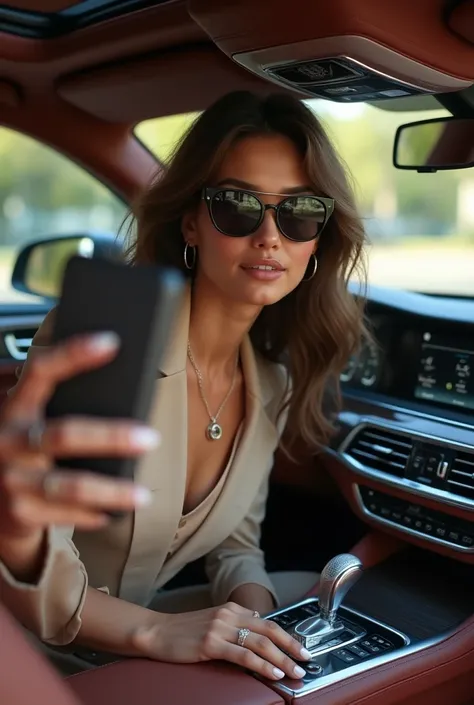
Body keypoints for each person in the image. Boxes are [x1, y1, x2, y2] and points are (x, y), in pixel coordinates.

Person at [0, 90, 366, 681]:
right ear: (192, 221)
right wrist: (159, 631)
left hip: (134, 643)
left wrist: (253, 625)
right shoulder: (103, 344)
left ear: (318, 238)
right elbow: (28, 561)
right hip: (25, 644)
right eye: (239, 205)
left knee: (315, 606)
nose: (271, 236)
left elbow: (238, 548)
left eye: (299, 212)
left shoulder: (271, 382)